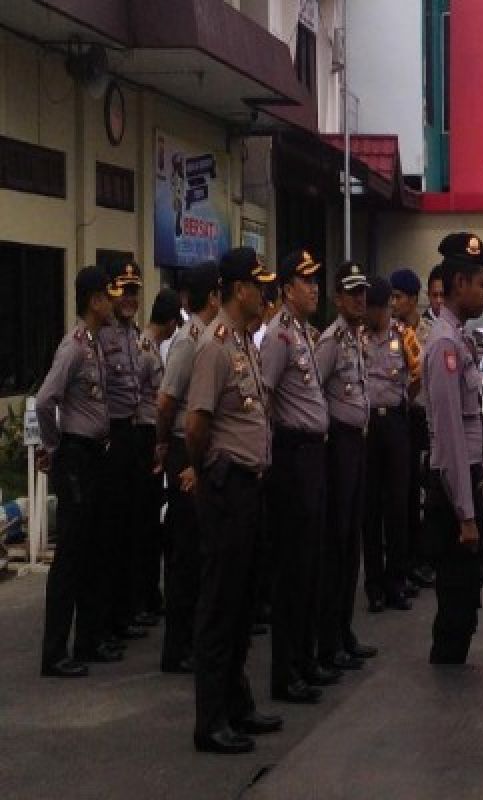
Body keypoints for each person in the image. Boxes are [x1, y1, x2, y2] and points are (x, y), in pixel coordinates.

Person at [185, 247, 281, 754]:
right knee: (220, 605)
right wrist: (206, 473)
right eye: (258, 285)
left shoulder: (245, 341)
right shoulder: (215, 345)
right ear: (238, 288)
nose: (265, 293)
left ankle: (238, 704)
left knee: (244, 603)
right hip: (228, 486)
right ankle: (211, 719)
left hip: (251, 485)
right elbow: (196, 425)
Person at [35, 267, 120, 677]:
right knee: (70, 555)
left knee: (93, 551)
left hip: (95, 455)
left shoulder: (96, 344)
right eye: (107, 295)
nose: (112, 302)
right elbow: (44, 400)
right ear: (93, 300)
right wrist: (56, 447)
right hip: (77, 457)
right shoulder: (72, 347)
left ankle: (88, 640)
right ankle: (55, 652)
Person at [258, 250, 333, 704]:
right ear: (286, 288)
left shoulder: (304, 334)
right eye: (306, 282)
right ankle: (285, 674)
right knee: (292, 570)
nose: (314, 288)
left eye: (315, 280)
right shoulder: (279, 337)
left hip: (313, 457)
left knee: (311, 566)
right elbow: (263, 401)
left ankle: (304, 662)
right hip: (291, 457)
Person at [422, 233, 483, 664]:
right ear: (459, 284)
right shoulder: (445, 344)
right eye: (481, 284)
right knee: (457, 597)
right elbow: (449, 437)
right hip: (454, 488)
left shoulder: (460, 337)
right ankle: (446, 679)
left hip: (466, 480)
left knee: (468, 592)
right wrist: (466, 514)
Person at [315, 261, 379, 672]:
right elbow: (314, 391)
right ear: (337, 298)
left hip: (358, 444)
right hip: (337, 444)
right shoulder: (331, 341)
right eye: (352, 293)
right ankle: (329, 639)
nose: (360, 299)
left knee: (352, 540)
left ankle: (344, 630)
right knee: (336, 545)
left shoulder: (357, 338)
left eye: (363, 292)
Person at [157, 262, 220, 675]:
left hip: (199, 447)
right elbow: (166, 402)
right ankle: (176, 648)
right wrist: (164, 444)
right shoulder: (188, 340)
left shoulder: (209, 337)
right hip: (184, 448)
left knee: (199, 550)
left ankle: (191, 641)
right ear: (210, 297)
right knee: (184, 552)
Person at [98, 261, 149, 645]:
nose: (130, 298)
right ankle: (109, 619)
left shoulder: (134, 336)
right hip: (112, 438)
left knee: (133, 527)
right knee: (111, 534)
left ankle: (128, 611)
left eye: (135, 290)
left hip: (133, 434)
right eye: (125, 291)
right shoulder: (102, 336)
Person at [362, 274, 414, 613]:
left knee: (398, 504)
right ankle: (374, 586)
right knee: (370, 508)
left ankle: (397, 581)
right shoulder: (356, 337)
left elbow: (419, 376)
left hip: (396, 422)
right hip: (368, 426)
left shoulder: (404, 337)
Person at [132, 289, 182, 627]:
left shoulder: (148, 347)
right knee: (143, 525)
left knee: (151, 522)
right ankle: (142, 597)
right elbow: (142, 399)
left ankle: (148, 595)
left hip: (150, 436)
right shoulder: (145, 349)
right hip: (144, 435)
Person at [391, 267, 436, 592]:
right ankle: (403, 562)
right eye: (391, 297)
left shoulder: (429, 334)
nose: (394, 303)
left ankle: (422, 558)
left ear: (412, 299)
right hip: (398, 419)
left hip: (423, 420)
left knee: (424, 493)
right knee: (401, 496)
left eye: (399, 297)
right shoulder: (387, 333)